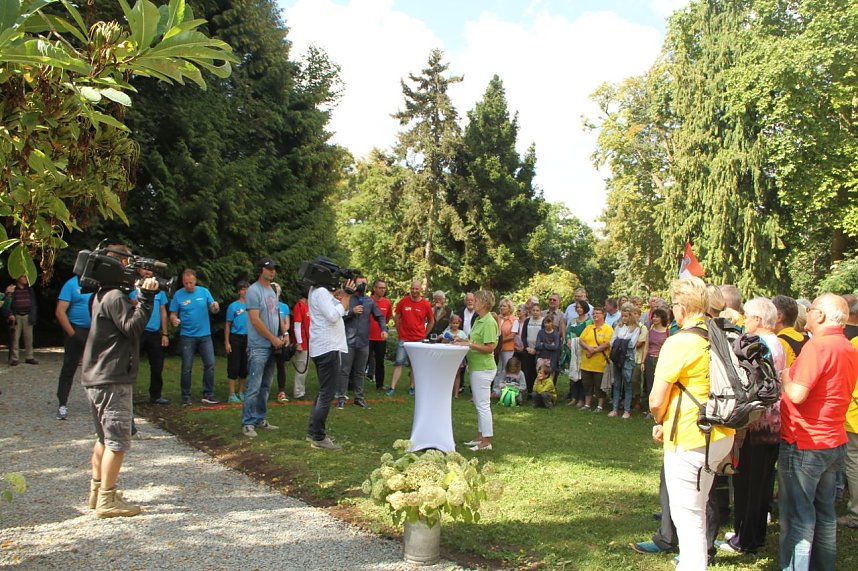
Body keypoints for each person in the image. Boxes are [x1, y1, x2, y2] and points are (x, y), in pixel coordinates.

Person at [647, 277, 735, 570]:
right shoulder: (720, 334)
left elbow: (656, 399)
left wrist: (660, 418)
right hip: (722, 430)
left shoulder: (680, 341)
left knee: (688, 514)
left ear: (681, 308)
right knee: (698, 504)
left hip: (692, 434)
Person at [778, 293, 858, 570]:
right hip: (832, 439)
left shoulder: (819, 346)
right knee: (824, 514)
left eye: (810, 309)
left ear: (821, 316)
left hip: (805, 441)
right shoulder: (847, 347)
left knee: (798, 518)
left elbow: (798, 394)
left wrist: (786, 377)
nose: (807, 313)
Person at [82, 244, 157, 518]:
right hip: (112, 378)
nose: (130, 267)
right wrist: (147, 299)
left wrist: (138, 298)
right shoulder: (114, 296)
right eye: (126, 261)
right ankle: (107, 500)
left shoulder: (102, 295)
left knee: (103, 438)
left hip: (98, 376)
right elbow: (133, 328)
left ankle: (98, 491)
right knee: (117, 440)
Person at [719, 297, 785, 555]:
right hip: (773, 421)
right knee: (761, 482)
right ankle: (752, 535)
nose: (745, 321)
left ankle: (744, 538)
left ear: (758, 319)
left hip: (756, 423)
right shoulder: (776, 342)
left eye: (747, 317)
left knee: (747, 483)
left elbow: (748, 384)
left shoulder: (757, 344)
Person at [307, 272, 356, 450]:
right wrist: (347, 296)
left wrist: (344, 296)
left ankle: (313, 431)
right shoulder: (320, 292)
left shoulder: (319, 291)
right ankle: (318, 437)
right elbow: (334, 316)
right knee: (327, 394)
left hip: (325, 347)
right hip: (327, 347)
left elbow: (343, 309)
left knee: (323, 392)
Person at [241, 259, 286, 438]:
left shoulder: (272, 290)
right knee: (254, 385)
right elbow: (255, 319)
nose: (272, 271)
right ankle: (247, 423)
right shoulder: (253, 291)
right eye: (269, 268)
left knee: (266, 385)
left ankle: (260, 418)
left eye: (274, 269)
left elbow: (277, 315)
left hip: (272, 345)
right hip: (258, 345)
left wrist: (285, 333)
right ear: (261, 270)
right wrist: (273, 338)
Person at [336, 275, 387, 409]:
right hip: (348, 341)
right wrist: (351, 312)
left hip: (364, 342)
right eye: (360, 284)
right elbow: (338, 317)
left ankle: (359, 398)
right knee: (344, 371)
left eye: (364, 284)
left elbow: (380, 316)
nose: (362, 286)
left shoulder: (369, 301)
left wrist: (383, 329)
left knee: (360, 372)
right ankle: (341, 397)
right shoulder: (347, 299)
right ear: (354, 284)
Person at [170, 269, 220, 406]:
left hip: (205, 335)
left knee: (210, 364)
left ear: (195, 281)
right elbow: (173, 313)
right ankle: (186, 396)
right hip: (187, 336)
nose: (189, 286)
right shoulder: (178, 295)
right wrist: (174, 319)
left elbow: (213, 308)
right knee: (187, 367)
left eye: (191, 283)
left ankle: (208, 393)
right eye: (186, 283)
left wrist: (215, 306)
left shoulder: (204, 292)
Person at [456, 289, 498, 451]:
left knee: (483, 405)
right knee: (480, 404)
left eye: (477, 300)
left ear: (484, 303)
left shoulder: (488, 322)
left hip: (484, 368)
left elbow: (490, 347)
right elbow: (473, 340)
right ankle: (481, 437)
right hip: (476, 367)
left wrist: (469, 345)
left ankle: (486, 441)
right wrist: (463, 340)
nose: (473, 302)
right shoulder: (479, 320)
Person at [55, 272, 94, 420]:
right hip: (76, 329)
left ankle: (97, 403)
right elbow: (60, 312)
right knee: (69, 367)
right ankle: (62, 404)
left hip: (95, 330)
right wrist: (73, 334)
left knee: (96, 367)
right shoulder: (71, 284)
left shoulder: (97, 283)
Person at [131, 265, 170, 405]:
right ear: (138, 271)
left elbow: (163, 311)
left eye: (149, 269)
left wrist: (165, 333)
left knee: (157, 365)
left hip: (154, 332)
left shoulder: (158, 289)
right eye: (144, 269)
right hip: (138, 331)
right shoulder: (132, 287)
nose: (147, 272)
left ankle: (156, 395)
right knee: (131, 364)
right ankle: (127, 395)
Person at [387, 281, 434, 396]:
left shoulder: (426, 304)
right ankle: (392, 387)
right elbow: (397, 318)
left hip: (418, 339)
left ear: (420, 290)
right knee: (399, 362)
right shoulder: (403, 301)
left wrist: (424, 334)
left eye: (416, 289)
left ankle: (412, 387)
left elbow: (432, 321)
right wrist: (399, 332)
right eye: (412, 288)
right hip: (404, 338)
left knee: (415, 364)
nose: (414, 291)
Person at [609, 302, 645, 419]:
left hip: (628, 359)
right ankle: (614, 408)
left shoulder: (636, 328)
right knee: (617, 383)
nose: (624, 318)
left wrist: (620, 342)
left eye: (626, 316)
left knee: (628, 384)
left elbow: (632, 343)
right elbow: (612, 341)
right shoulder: (618, 326)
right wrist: (620, 343)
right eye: (622, 316)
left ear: (631, 316)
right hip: (617, 357)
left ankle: (627, 410)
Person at [578, 307, 612, 412]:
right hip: (586, 362)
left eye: (598, 313)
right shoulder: (589, 327)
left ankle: (600, 405)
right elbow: (581, 340)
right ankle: (587, 404)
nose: (595, 315)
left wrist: (593, 351)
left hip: (600, 363)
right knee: (587, 384)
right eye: (594, 313)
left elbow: (606, 343)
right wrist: (588, 348)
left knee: (599, 385)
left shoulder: (608, 329)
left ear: (603, 315)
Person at [225, 281, 250, 404]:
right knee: (233, 365)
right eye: (243, 289)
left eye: (247, 289)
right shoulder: (233, 306)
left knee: (244, 366)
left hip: (247, 338)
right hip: (235, 338)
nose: (245, 292)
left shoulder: (252, 306)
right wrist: (227, 342)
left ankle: (241, 391)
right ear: (239, 291)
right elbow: (228, 324)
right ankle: (231, 393)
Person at [641, 308, 669, 414]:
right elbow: (646, 347)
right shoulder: (650, 331)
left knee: (660, 384)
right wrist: (643, 362)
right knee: (649, 384)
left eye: (657, 316)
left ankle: (661, 408)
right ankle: (650, 409)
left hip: (661, 360)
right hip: (649, 359)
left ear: (662, 318)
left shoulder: (667, 331)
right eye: (653, 316)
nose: (654, 318)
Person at [565, 300, 592, 406]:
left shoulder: (589, 322)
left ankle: (582, 399)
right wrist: (568, 340)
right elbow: (568, 332)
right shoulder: (573, 321)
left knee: (582, 375)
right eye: (577, 307)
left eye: (580, 307)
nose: (578, 309)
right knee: (574, 372)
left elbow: (589, 335)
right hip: (573, 350)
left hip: (583, 350)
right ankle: (574, 397)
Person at [366, 279, 392, 390]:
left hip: (380, 337)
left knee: (380, 361)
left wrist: (383, 330)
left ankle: (380, 385)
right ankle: (353, 384)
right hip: (367, 336)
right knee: (363, 361)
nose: (382, 290)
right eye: (380, 288)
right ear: (374, 288)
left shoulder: (387, 302)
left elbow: (387, 318)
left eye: (384, 288)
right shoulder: (367, 300)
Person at [7, 274, 38, 366]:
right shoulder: (13, 289)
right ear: (18, 278)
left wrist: (33, 315)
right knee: (15, 338)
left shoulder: (30, 290)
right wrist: (10, 314)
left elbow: (33, 303)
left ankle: (29, 357)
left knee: (29, 337)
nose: (25, 278)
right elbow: (7, 303)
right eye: (23, 277)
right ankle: (14, 358)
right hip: (16, 316)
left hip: (27, 316)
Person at [271, 282, 291, 403]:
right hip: (268, 338)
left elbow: (286, 323)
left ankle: (281, 391)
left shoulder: (283, 307)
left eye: (278, 289)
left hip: (280, 338)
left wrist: (285, 334)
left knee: (281, 365)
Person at [494, 298, 517, 394]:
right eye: (501, 306)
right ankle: (495, 390)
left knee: (505, 369)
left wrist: (500, 341)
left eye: (504, 306)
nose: (502, 308)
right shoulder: (497, 318)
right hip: (497, 348)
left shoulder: (514, 320)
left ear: (509, 308)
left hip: (507, 349)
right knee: (497, 369)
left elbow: (512, 335)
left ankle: (505, 390)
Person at [520, 303, 544, 394]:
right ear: (530, 311)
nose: (535, 312)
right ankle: (529, 391)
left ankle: (537, 390)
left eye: (537, 310)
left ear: (540, 311)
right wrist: (527, 347)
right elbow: (523, 336)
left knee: (537, 371)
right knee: (528, 371)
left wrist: (536, 349)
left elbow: (543, 337)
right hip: (528, 350)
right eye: (533, 310)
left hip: (539, 351)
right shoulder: (527, 321)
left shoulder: (543, 321)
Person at [442, 314, 468, 398]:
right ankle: (447, 392)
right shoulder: (447, 333)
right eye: (453, 323)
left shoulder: (462, 333)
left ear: (459, 324)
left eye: (457, 323)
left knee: (457, 374)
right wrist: (446, 340)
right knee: (447, 375)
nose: (455, 325)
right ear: (450, 323)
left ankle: (456, 393)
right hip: (448, 356)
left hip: (458, 357)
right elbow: (442, 343)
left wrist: (460, 340)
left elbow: (467, 342)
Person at [290, 293, 310, 400]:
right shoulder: (299, 306)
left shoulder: (306, 306)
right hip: (303, 343)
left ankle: (301, 390)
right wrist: (299, 343)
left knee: (304, 368)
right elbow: (297, 325)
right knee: (301, 368)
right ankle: (298, 392)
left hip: (307, 342)